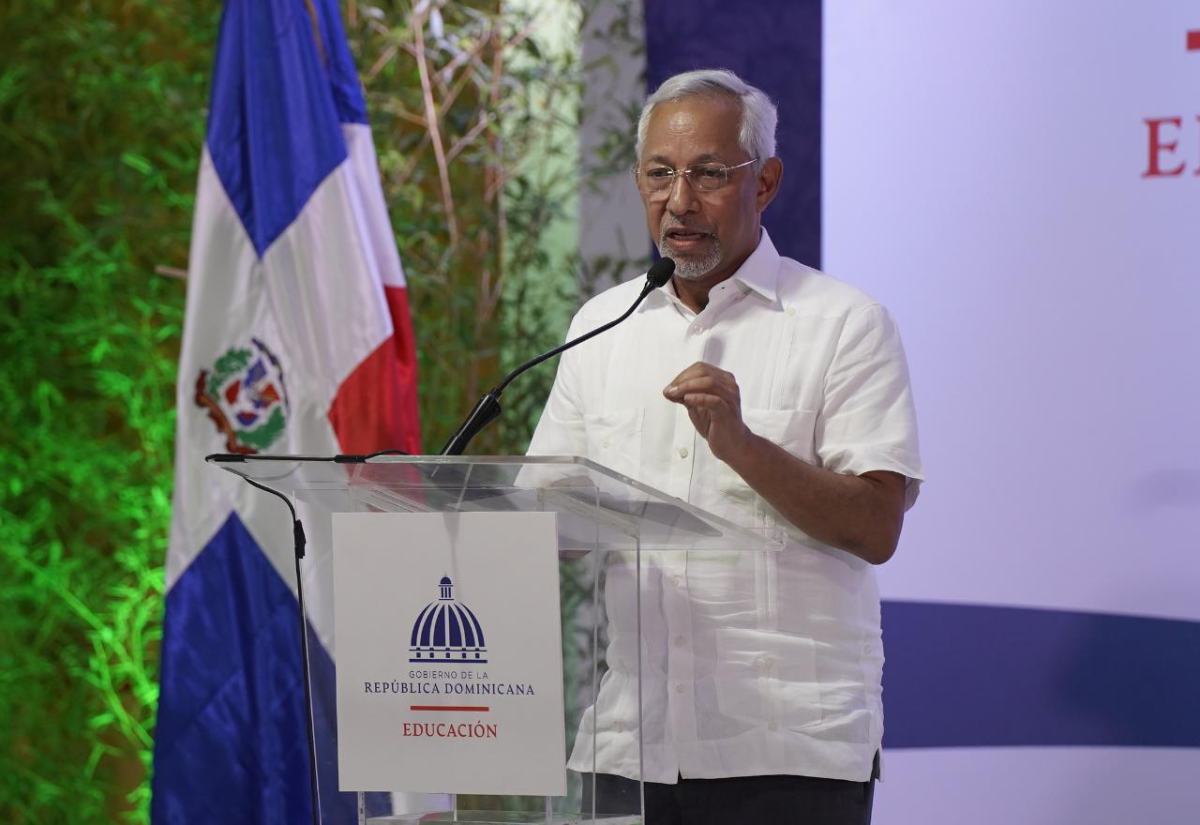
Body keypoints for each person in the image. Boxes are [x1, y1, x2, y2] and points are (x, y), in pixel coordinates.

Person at [527, 68, 923, 825]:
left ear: (764, 183)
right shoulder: (601, 326)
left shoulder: (845, 324)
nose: (679, 200)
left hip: (787, 750)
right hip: (632, 744)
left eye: (708, 174)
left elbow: (877, 527)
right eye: (659, 173)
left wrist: (742, 445)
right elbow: (549, 514)